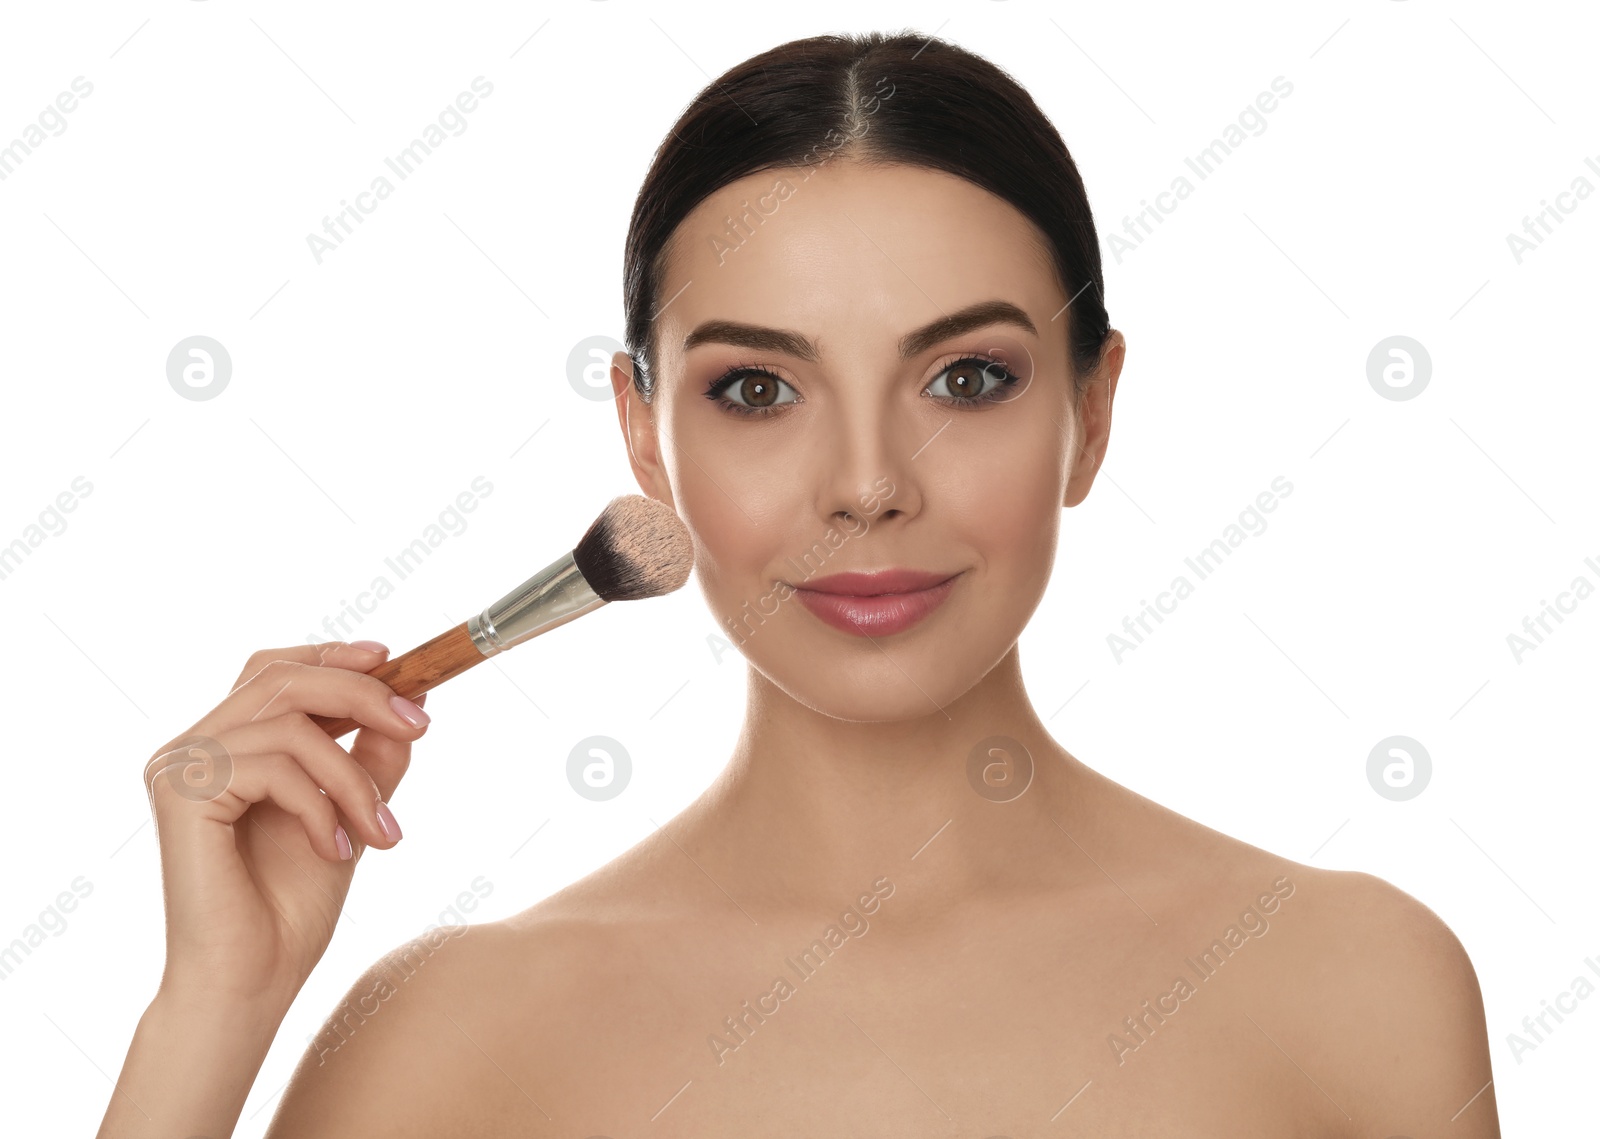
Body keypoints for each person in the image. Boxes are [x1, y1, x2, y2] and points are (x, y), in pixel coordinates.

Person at [99, 30, 1499, 1138]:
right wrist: (208, 1013)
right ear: (645, 436)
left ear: (1095, 410)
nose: (868, 482)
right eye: (759, 388)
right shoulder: (444, 1038)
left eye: (968, 378)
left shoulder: (1357, 984)